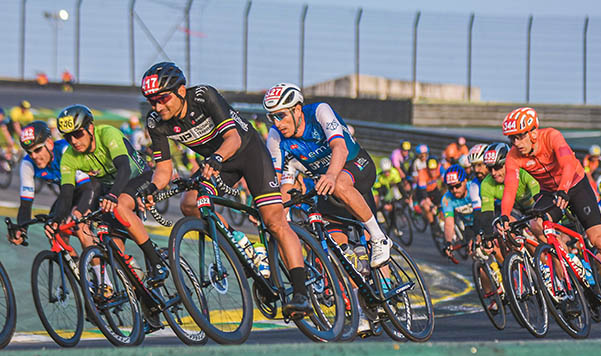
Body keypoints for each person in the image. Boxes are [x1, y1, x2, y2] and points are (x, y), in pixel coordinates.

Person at [139, 63, 313, 318]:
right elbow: (163, 169)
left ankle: (301, 293)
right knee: (190, 205)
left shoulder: (203, 97)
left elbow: (233, 138)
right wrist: (152, 188)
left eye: (163, 98)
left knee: (274, 221)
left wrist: (216, 159)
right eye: (152, 101)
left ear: (181, 90)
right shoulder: (156, 122)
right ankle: (240, 242)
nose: (158, 106)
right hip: (218, 163)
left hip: (247, 153)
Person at [496, 107, 601, 316]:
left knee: (599, 240)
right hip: (551, 192)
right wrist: (505, 215)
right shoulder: (514, 157)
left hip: (575, 185)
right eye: (511, 138)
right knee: (537, 225)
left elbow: (568, 164)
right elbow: (510, 187)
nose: (516, 143)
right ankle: (570, 282)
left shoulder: (551, 136)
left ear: (533, 132)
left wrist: (564, 190)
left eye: (519, 136)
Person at [263, 82, 392, 269]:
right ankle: (356, 291)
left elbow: (340, 147)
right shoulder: (275, 136)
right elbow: (279, 183)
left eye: (281, 115)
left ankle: (380, 239)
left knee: (340, 185)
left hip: (356, 166)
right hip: (328, 187)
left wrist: (331, 175)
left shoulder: (319, 112)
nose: (277, 123)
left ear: (297, 109)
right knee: (339, 253)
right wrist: (274, 211)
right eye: (272, 117)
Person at [46, 105, 167, 293]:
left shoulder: (108, 134)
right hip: (109, 186)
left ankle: (156, 261)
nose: (74, 141)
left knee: (118, 207)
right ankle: (140, 294)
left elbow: (124, 170)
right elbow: (67, 193)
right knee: (111, 247)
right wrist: (55, 220)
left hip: (137, 177)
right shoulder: (69, 156)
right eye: (68, 137)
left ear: (90, 128)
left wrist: (112, 196)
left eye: (78, 134)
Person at [8, 121, 95, 251]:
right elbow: (26, 203)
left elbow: (87, 189)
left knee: (80, 227)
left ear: (49, 143)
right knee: (53, 230)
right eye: (29, 152)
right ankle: (74, 268)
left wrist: (78, 212)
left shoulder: (66, 151)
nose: (34, 156)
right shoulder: (27, 164)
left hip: (92, 187)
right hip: (68, 194)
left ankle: (99, 270)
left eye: (38, 149)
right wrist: (21, 228)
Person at [441, 164, 482, 260]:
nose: (454, 190)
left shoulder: (475, 187)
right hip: (469, 226)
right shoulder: (447, 199)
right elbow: (449, 223)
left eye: (457, 186)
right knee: (474, 255)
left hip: (482, 220)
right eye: (450, 188)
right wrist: (448, 242)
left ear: (465, 181)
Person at [417, 157, 443, 235]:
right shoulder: (422, 173)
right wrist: (431, 205)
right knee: (428, 207)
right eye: (431, 170)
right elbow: (424, 193)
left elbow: (446, 178)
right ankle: (433, 225)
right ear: (427, 168)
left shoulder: (440, 168)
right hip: (422, 193)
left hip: (434, 190)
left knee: (442, 205)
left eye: (434, 169)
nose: (433, 172)